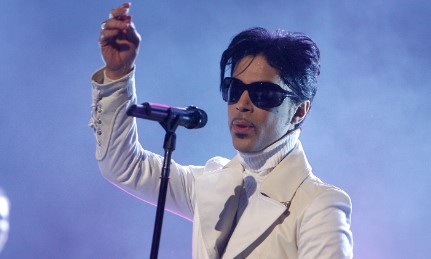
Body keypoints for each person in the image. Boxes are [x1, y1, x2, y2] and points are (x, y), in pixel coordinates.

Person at [90, 2, 353, 258]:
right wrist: (118, 74)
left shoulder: (319, 205)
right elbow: (123, 166)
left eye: (263, 94)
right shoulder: (212, 182)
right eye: (235, 89)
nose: (242, 104)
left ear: (299, 111)